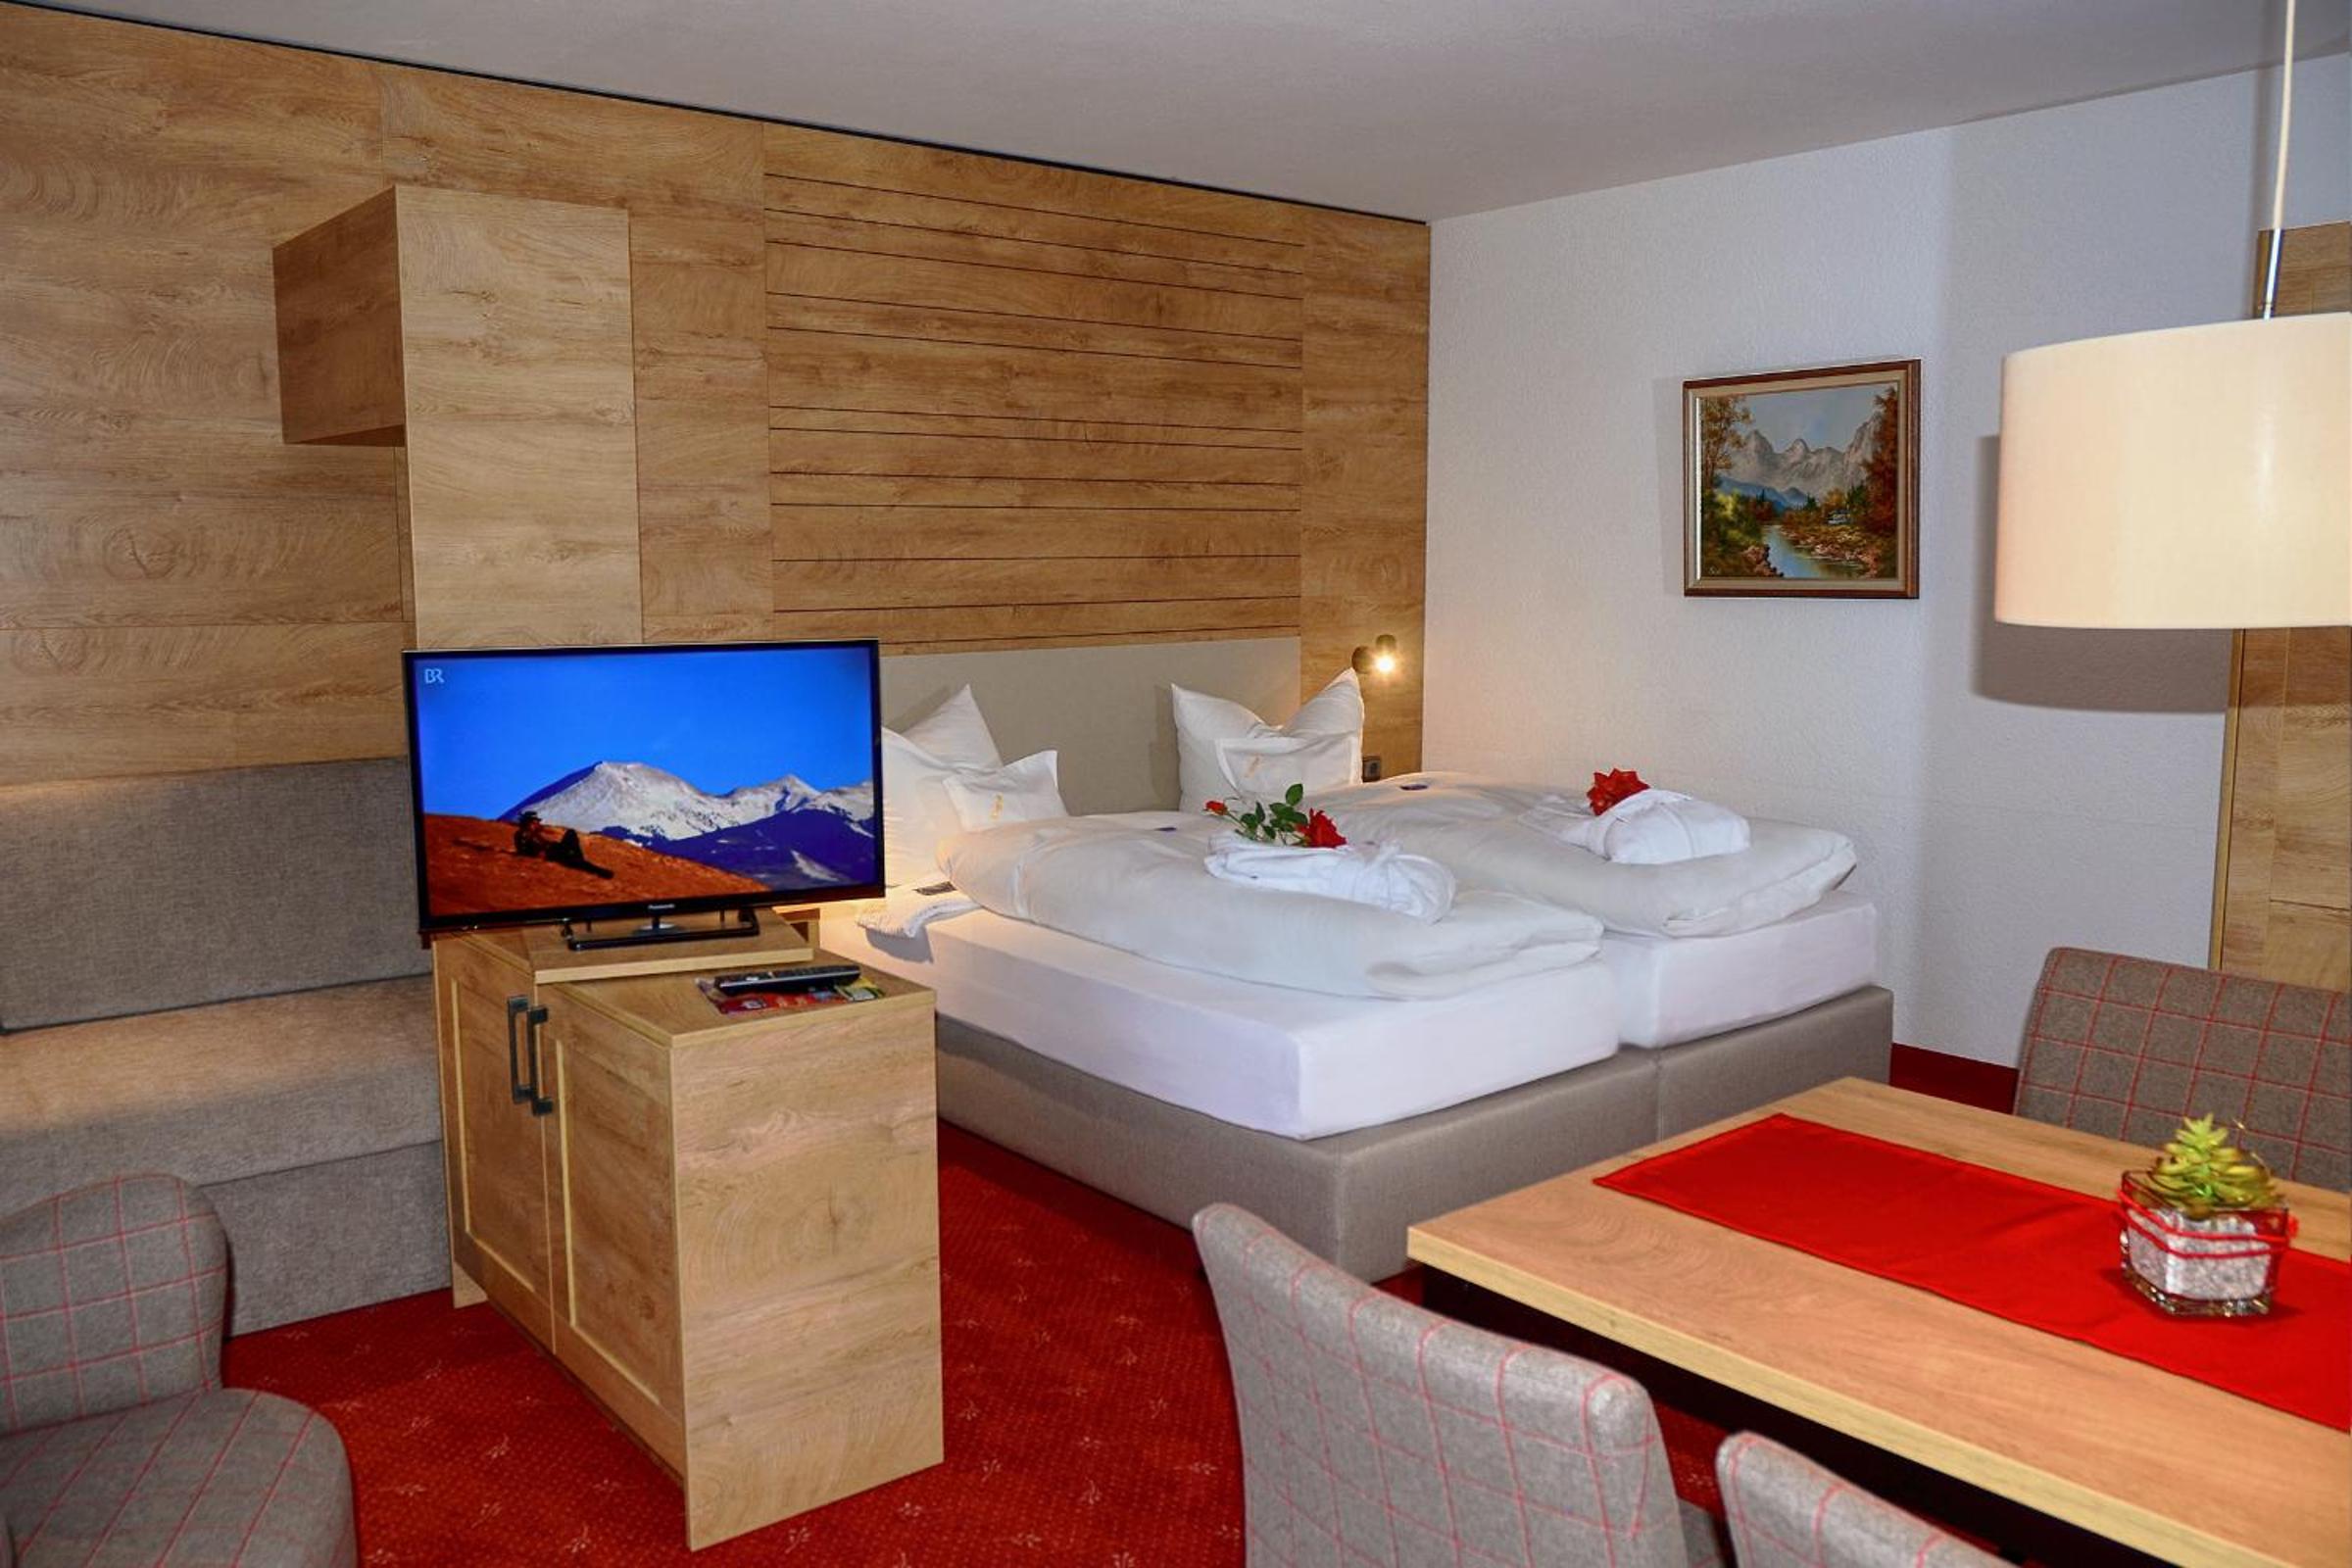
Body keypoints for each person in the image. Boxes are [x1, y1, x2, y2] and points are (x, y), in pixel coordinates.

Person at [512, 810, 615, 879]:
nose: (538, 824)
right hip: (554, 855)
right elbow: (525, 851)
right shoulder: (523, 834)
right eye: (535, 822)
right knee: (580, 861)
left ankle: (596, 869)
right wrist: (543, 853)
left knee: (571, 834)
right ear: (529, 823)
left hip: (555, 852)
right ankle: (602, 872)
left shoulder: (534, 834)